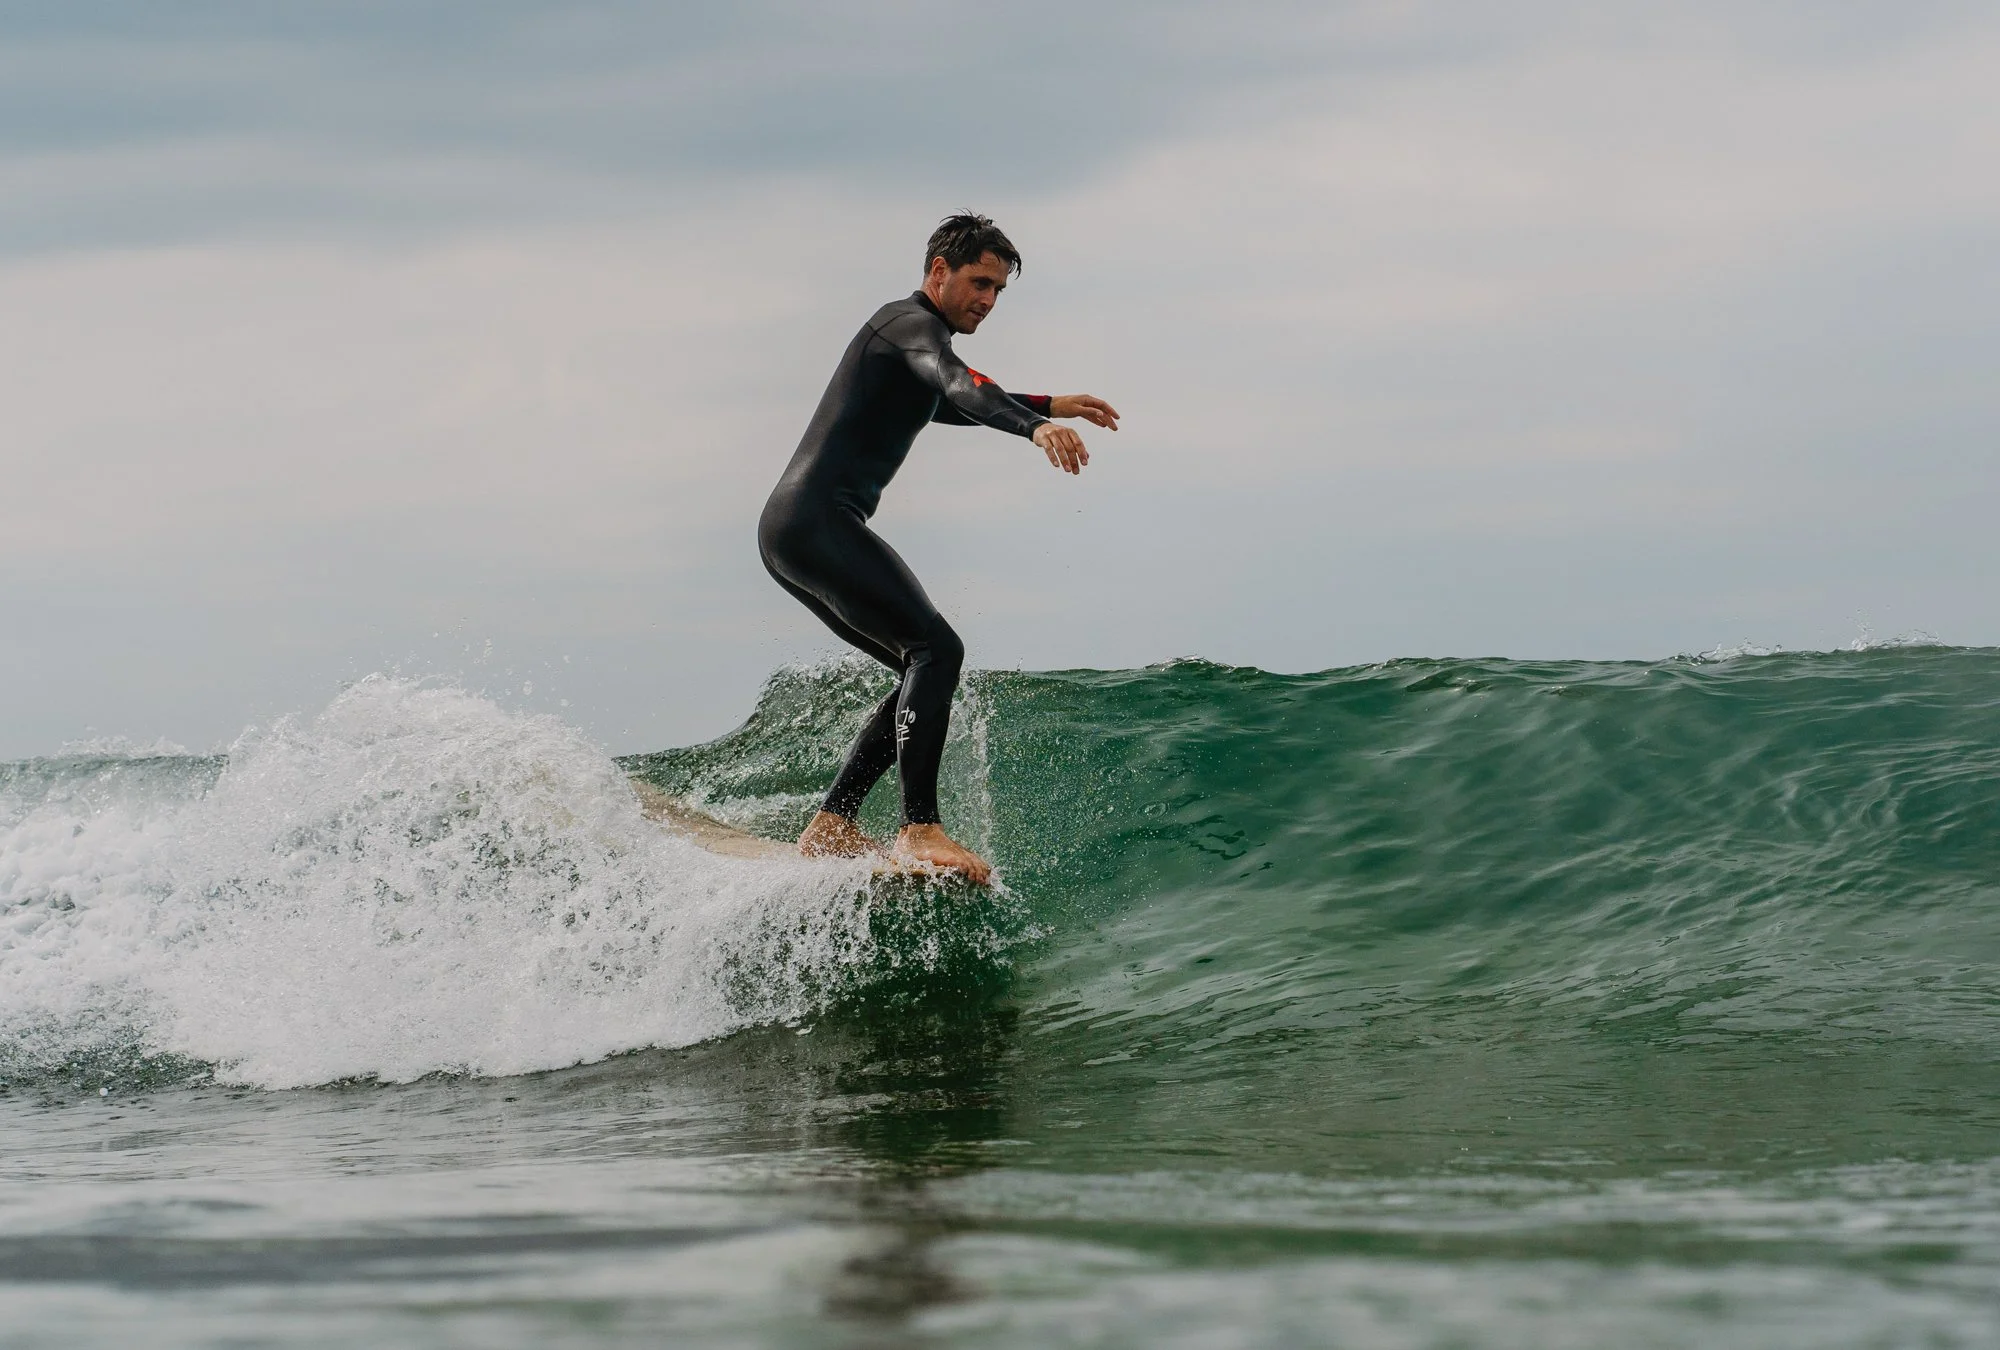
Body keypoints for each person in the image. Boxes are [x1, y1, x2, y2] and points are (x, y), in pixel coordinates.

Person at [757, 213, 1119, 884]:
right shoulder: (911, 326)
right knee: (937, 650)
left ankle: (832, 824)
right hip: (817, 523)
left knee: (917, 666)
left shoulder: (906, 340)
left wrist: (1048, 401)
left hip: (792, 530)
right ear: (938, 273)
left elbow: (946, 400)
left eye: (999, 290)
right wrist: (1034, 426)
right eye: (979, 282)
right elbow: (954, 383)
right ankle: (919, 829)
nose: (987, 299)